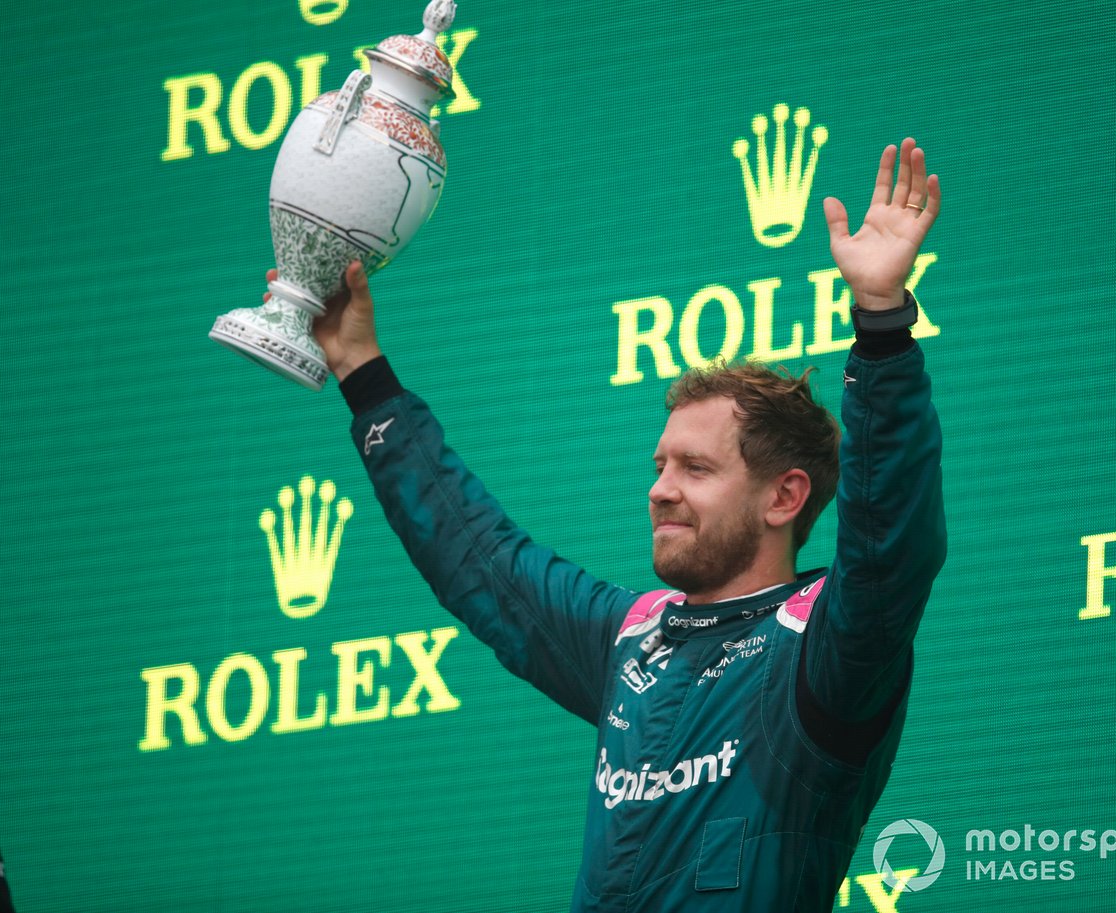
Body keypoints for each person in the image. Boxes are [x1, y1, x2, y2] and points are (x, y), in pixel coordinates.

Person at [276, 137, 945, 911]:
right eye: (660, 466)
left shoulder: (826, 645)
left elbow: (888, 538)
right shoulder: (630, 633)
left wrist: (883, 326)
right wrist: (362, 370)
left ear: (784, 497)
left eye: (696, 468)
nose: (660, 490)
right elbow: (480, 557)